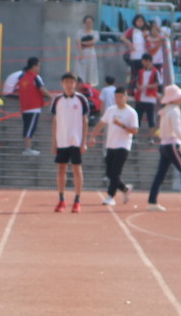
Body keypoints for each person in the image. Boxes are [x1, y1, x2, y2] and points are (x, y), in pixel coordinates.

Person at [147, 84, 181, 211]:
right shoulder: (174, 111)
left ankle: (152, 202)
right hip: (172, 145)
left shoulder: (165, 111)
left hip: (165, 145)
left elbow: (166, 132)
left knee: (160, 174)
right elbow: (177, 130)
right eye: (179, 96)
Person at [91, 86, 139, 206]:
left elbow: (135, 131)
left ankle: (110, 196)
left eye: (120, 97)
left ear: (126, 97)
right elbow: (101, 123)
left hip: (123, 145)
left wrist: (121, 124)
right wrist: (92, 136)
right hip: (110, 145)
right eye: (116, 97)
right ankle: (125, 189)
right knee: (109, 173)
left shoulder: (131, 112)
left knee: (115, 172)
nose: (118, 100)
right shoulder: (110, 110)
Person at [50, 72, 89, 213]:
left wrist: (83, 142)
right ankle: (61, 200)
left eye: (71, 82)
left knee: (77, 169)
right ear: (62, 83)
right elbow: (55, 121)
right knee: (61, 169)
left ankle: (77, 201)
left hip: (76, 140)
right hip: (62, 140)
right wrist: (54, 142)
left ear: (75, 84)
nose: (69, 85)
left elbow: (85, 121)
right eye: (66, 82)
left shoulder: (81, 99)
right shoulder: (57, 100)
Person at [11, 56, 46, 155]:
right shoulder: (35, 77)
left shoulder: (23, 77)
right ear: (34, 66)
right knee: (30, 128)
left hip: (25, 107)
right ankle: (27, 149)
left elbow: (16, 90)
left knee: (27, 127)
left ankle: (28, 147)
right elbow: (42, 89)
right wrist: (52, 97)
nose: (39, 68)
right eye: (38, 66)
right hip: (34, 107)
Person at [133, 60, 160, 131]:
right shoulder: (140, 71)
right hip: (140, 98)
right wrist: (139, 86)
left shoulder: (155, 72)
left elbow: (156, 84)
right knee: (137, 118)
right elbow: (137, 82)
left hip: (150, 98)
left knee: (151, 119)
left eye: (145, 61)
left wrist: (146, 86)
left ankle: (151, 136)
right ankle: (135, 134)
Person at [76, 14, 100, 85]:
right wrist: (81, 53)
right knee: (81, 71)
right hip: (82, 53)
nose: (88, 24)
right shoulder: (80, 32)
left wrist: (83, 42)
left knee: (91, 70)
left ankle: (89, 86)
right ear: (84, 23)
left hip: (91, 53)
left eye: (90, 22)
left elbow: (93, 42)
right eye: (87, 22)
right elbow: (78, 42)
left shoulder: (95, 33)